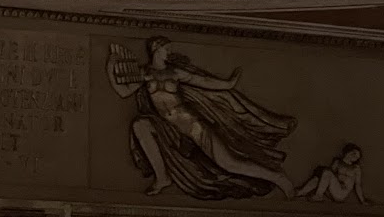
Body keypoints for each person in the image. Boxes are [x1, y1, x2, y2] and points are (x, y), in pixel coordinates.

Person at [108, 37, 296, 200]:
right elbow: (124, 92)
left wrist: (228, 84)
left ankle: (277, 177)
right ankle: (162, 177)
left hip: (193, 126)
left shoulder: (175, 72)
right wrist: (110, 66)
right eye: (166, 49)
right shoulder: (144, 73)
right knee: (140, 125)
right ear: (156, 50)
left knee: (229, 163)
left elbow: (203, 81)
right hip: (169, 128)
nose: (169, 52)